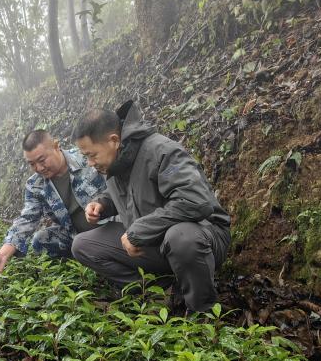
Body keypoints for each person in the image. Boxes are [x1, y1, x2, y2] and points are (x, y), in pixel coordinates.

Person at [71, 100, 231, 313]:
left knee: (181, 237)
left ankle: (204, 312)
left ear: (113, 140)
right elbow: (129, 192)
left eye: (91, 155)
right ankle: (159, 292)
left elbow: (195, 201)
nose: (90, 163)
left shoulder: (161, 151)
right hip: (155, 241)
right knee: (83, 245)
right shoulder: (115, 161)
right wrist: (102, 204)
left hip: (203, 239)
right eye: (85, 157)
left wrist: (140, 230)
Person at [0, 129, 107, 277]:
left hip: (107, 227)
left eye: (42, 160)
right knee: (40, 240)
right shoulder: (36, 185)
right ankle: (79, 265)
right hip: (74, 236)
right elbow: (26, 220)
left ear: (56, 146)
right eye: (32, 164)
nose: (39, 168)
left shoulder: (87, 159)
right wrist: (1, 256)